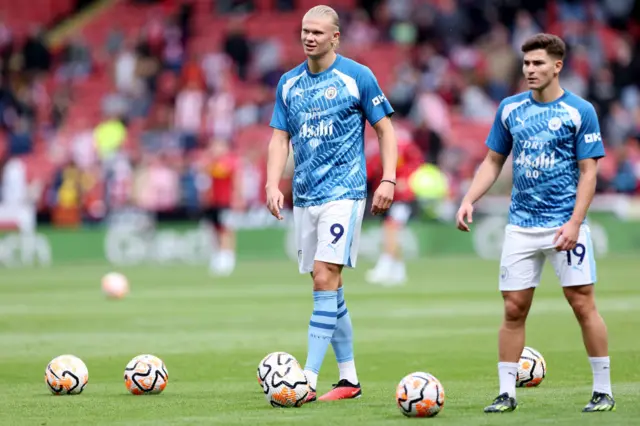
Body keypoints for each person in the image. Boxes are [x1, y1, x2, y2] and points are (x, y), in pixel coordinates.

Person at [456, 33, 614, 413]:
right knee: (513, 309)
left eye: (538, 63)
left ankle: (603, 390)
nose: (530, 69)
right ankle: (507, 393)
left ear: (557, 66)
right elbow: (494, 160)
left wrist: (576, 222)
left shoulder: (580, 110)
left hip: (565, 224)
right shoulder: (510, 109)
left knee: (582, 304)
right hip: (520, 225)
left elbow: (588, 172)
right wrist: (468, 198)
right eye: (526, 63)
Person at [265, 5, 397, 402]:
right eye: (305, 31)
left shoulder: (357, 77)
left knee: (325, 276)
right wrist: (273, 183)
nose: (309, 37)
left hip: (345, 193)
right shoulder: (288, 83)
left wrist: (388, 178)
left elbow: (385, 130)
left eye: (318, 32)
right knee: (328, 286)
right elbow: (278, 138)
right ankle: (349, 380)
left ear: (335, 37)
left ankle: (306, 378)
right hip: (305, 198)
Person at [365, 128, 423, 285]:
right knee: (390, 229)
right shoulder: (374, 147)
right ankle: (398, 270)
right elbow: (370, 170)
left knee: (391, 228)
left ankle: (384, 267)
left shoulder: (403, 144)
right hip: (385, 197)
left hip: (401, 197)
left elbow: (416, 163)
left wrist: (407, 180)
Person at [203, 139, 243, 276]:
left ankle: (228, 258)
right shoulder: (210, 164)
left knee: (226, 230)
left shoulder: (230, 163)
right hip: (213, 203)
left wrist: (237, 198)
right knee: (215, 230)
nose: (215, 149)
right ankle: (217, 256)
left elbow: (236, 182)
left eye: (218, 146)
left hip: (226, 202)